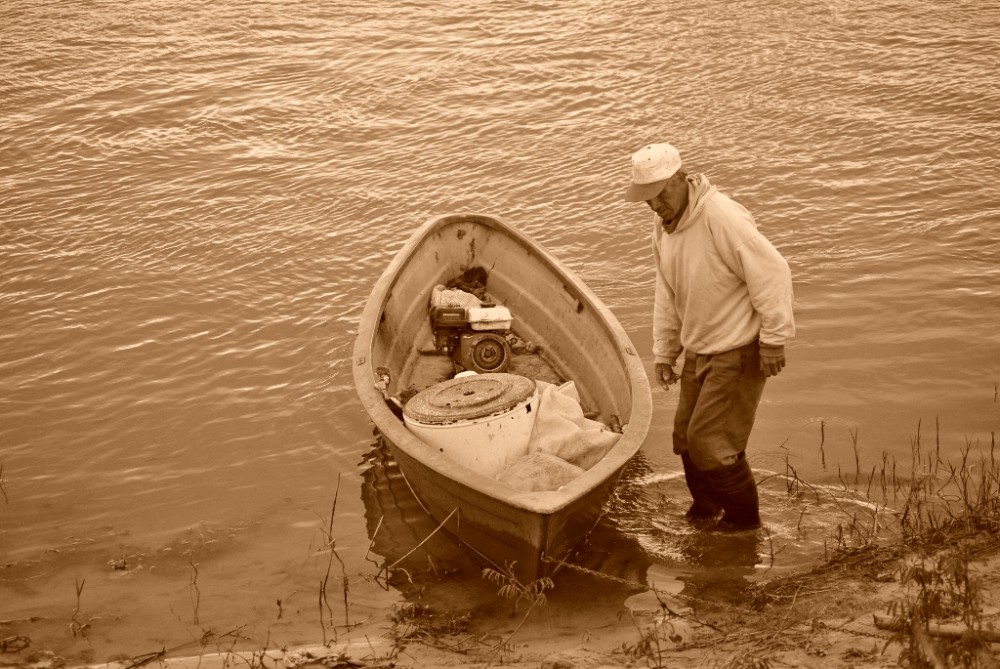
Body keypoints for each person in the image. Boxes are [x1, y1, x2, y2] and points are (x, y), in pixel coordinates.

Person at [624, 142, 795, 531]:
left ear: (682, 179)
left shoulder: (720, 215)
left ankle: (744, 527)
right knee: (685, 439)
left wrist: (773, 339)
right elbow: (667, 290)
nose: (655, 206)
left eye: (661, 194)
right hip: (699, 349)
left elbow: (773, 272)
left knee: (712, 445)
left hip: (737, 349)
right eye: (647, 199)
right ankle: (705, 514)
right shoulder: (664, 225)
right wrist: (665, 351)